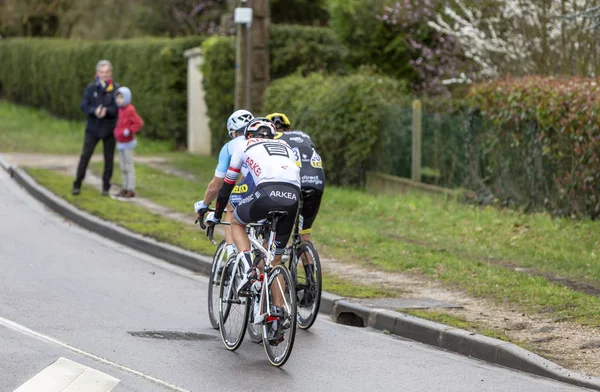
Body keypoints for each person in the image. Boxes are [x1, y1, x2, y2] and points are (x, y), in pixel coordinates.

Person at [198, 117, 301, 344]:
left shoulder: (244, 145)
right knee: (274, 260)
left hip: (266, 194)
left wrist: (216, 214)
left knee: (236, 220)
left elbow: (226, 186)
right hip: (293, 198)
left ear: (248, 135)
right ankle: (277, 315)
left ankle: (247, 267)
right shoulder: (285, 146)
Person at [194, 109, 255, 260]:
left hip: (257, 188)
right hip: (278, 187)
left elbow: (217, 185)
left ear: (234, 133)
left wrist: (205, 204)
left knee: (230, 207)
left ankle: (232, 254)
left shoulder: (230, 146)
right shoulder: (262, 141)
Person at [265, 113, 325, 244]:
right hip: (317, 182)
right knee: (304, 234)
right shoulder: (304, 136)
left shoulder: (272, 139)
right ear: (289, 128)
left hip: (293, 182)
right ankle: (309, 263)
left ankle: (274, 261)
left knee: (273, 229)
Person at [73, 60, 120, 196]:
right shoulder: (91, 88)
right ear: (97, 74)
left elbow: (118, 107)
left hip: (109, 129)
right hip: (93, 128)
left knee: (108, 159)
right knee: (85, 156)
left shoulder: (116, 89)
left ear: (110, 73)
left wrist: (107, 111)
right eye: (102, 72)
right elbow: (84, 105)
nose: (104, 75)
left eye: (107, 72)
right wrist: (95, 111)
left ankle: (106, 187)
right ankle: (77, 184)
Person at [113, 87, 144, 199]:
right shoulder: (120, 110)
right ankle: (125, 187)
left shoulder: (130, 109)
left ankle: (131, 188)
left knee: (128, 165)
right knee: (122, 166)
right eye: (117, 97)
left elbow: (138, 123)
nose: (119, 100)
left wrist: (129, 130)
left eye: (121, 97)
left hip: (127, 143)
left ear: (126, 98)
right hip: (120, 142)